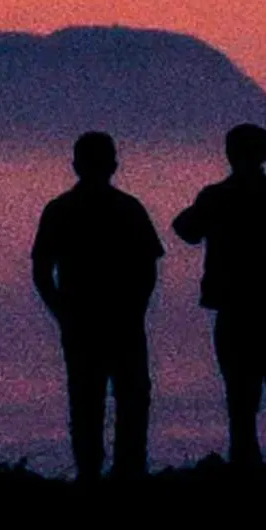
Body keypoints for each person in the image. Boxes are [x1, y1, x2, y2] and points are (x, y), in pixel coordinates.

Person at [170, 122, 266, 478]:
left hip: (234, 310)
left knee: (241, 402)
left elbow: (185, 229)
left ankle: (245, 476)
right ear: (264, 153)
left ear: (229, 154)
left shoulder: (214, 197)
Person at [30, 132, 165, 483]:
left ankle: (90, 472)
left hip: (84, 322)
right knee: (130, 397)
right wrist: (135, 308)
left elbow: (42, 271)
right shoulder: (129, 208)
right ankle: (127, 471)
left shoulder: (60, 210)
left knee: (86, 399)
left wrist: (62, 313)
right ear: (113, 165)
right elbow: (148, 268)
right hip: (121, 321)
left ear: (75, 165)